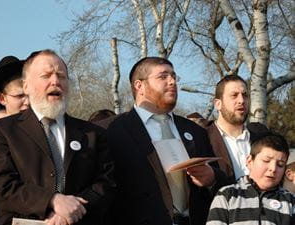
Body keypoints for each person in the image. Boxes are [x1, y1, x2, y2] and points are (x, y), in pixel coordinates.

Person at [0, 49, 115, 225]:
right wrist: (52, 201)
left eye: (62, 76)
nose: (55, 81)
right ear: (26, 85)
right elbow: (2, 185)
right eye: (46, 76)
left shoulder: (92, 134)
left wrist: (69, 211)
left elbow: (105, 184)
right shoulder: (3, 131)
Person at [107, 57, 227, 225]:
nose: (172, 82)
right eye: (163, 76)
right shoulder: (112, 131)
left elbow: (221, 180)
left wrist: (212, 178)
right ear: (139, 86)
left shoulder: (196, 131)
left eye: (173, 76)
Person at [207, 133, 295, 225]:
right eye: (266, 161)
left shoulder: (290, 201)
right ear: (249, 161)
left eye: (280, 164)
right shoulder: (228, 195)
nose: (273, 169)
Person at [205, 75, 268, 181]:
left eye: (245, 95)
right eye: (234, 95)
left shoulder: (261, 136)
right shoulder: (204, 138)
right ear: (218, 104)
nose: (241, 100)